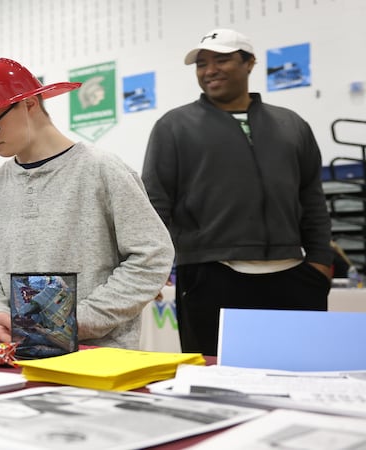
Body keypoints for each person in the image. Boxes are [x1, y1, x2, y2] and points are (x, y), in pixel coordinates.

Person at [0, 57, 175, 348]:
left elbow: (151, 258)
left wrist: (78, 320)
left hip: (99, 357)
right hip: (18, 353)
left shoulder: (102, 170)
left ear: (29, 103)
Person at [141, 29, 333, 356]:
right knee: (217, 386)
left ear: (250, 63)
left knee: (302, 376)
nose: (209, 70)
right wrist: (151, 270)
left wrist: (320, 263)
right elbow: (155, 206)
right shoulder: (174, 126)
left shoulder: (292, 125)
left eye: (222, 59)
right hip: (210, 278)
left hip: (296, 279)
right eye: (201, 64)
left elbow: (312, 198)